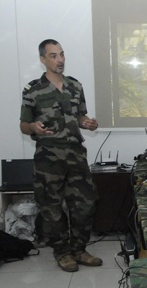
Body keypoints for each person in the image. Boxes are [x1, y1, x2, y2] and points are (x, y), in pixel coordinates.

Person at [19, 39, 102, 272]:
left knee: (85, 203)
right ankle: (62, 253)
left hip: (75, 154)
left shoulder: (75, 86)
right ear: (43, 59)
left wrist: (87, 122)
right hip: (48, 158)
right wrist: (34, 128)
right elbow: (23, 125)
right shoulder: (33, 90)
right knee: (51, 207)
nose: (60, 60)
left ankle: (79, 249)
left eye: (62, 55)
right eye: (54, 56)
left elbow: (79, 116)